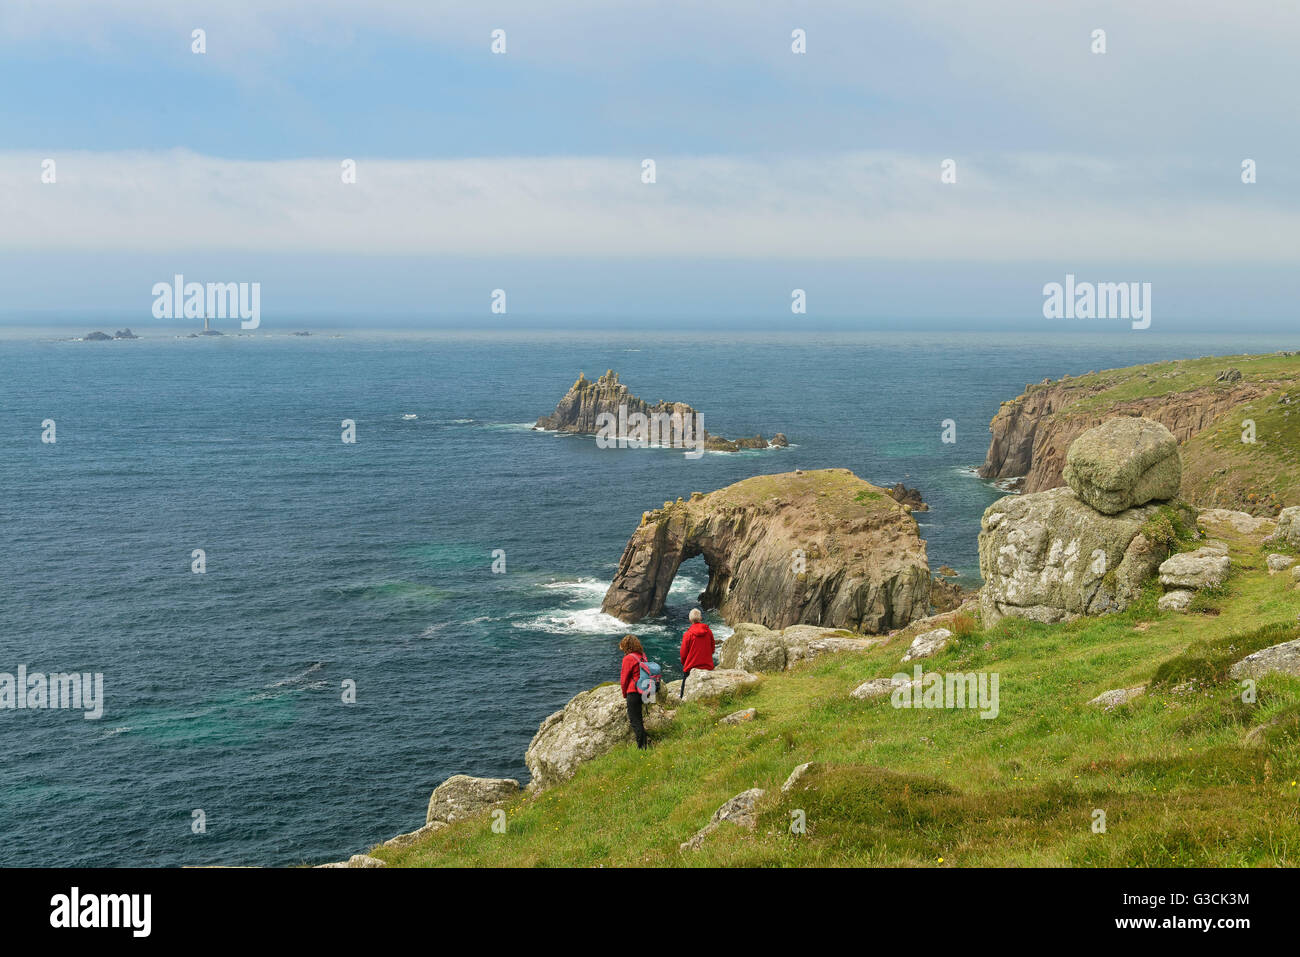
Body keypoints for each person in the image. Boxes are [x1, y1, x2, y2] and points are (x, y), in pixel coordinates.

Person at [618, 634, 651, 749]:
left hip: (634, 692)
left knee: (635, 721)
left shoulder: (628, 658)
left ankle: (642, 748)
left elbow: (624, 679)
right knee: (640, 718)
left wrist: (624, 694)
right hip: (645, 691)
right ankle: (645, 743)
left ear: (626, 647)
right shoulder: (642, 655)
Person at [679, 608, 715, 699]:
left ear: (690, 620)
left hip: (691, 667)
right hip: (708, 666)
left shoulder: (688, 634)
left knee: (684, 687)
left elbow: (683, 654)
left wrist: (685, 663)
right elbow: (712, 649)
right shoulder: (708, 631)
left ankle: (682, 700)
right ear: (700, 618)